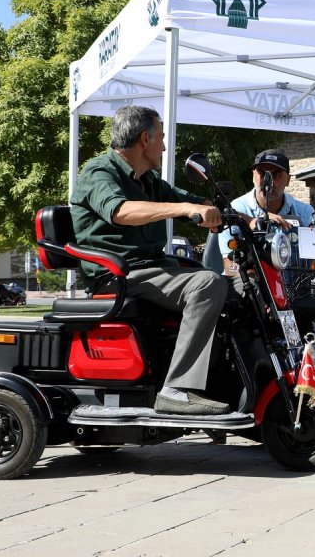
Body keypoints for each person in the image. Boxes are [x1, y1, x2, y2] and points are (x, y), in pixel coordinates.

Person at [70, 105, 229, 416]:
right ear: (146, 138)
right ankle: (176, 390)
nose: (165, 146)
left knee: (233, 284)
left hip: (148, 269)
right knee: (206, 283)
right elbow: (121, 211)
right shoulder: (99, 171)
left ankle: (222, 381)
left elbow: (194, 201)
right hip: (117, 274)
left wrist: (245, 219)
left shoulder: (150, 181)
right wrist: (181, 210)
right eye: (162, 138)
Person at [219, 149, 314, 272]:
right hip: (251, 286)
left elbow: (313, 261)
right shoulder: (235, 209)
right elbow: (230, 265)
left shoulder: (305, 212)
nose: (268, 180)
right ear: (253, 175)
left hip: (293, 286)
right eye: (262, 173)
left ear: (288, 180)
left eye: (276, 175)